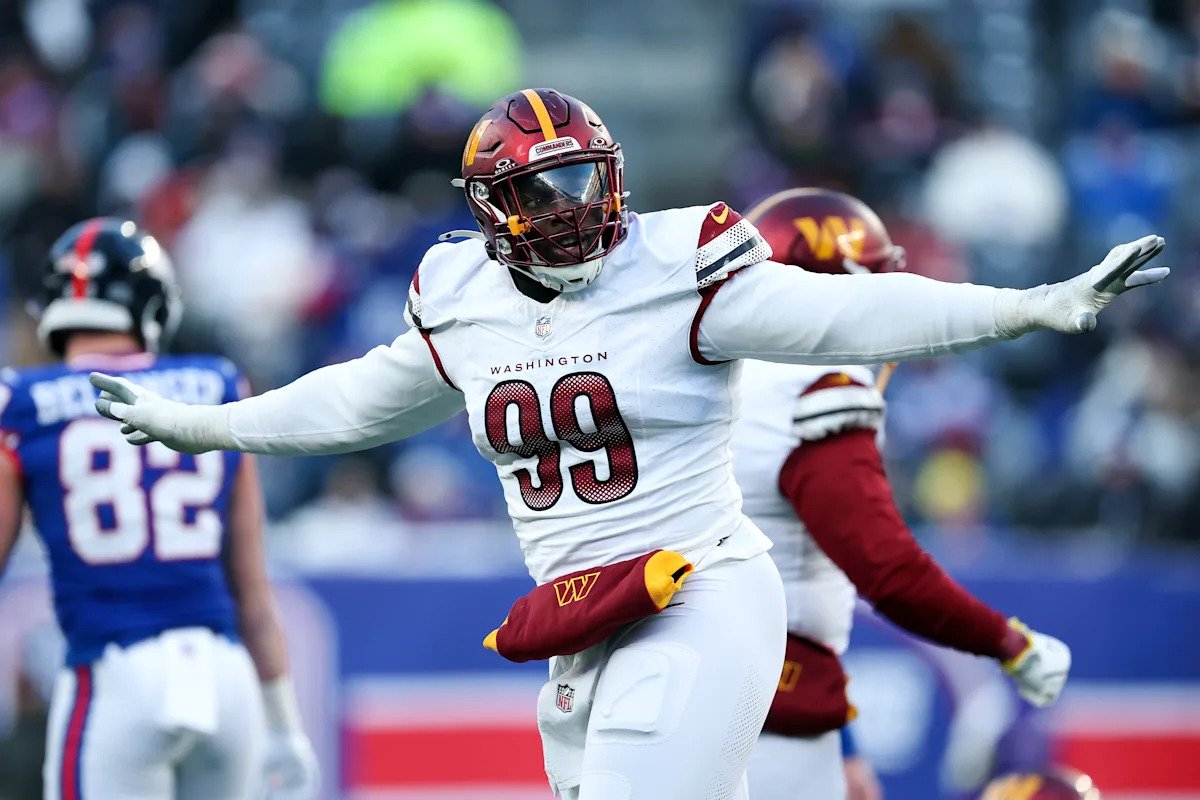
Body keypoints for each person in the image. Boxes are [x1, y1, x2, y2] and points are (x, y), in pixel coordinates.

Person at [89, 89, 1167, 800]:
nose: (571, 208)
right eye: (541, 191)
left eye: (582, 179)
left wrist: (1030, 305)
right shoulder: (461, 296)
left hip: (699, 590)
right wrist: (208, 427)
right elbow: (356, 402)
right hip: (580, 618)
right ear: (490, 209)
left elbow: (854, 312)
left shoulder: (679, 265)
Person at [733, 188, 1072, 800]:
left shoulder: (722, 375)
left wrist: (843, 743)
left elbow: (790, 590)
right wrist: (1011, 644)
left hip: (696, 678)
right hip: (756, 710)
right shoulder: (812, 389)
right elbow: (887, 572)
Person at [0, 218, 319, 800]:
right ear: (154, 306)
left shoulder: (19, 403)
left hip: (112, 674)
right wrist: (284, 725)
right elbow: (251, 591)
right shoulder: (217, 383)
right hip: (225, 679)